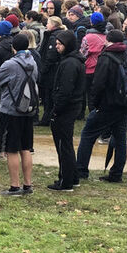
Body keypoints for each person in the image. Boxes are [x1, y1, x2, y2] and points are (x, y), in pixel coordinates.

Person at [75, 30, 127, 183]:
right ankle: (116, 174)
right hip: (123, 104)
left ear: (107, 40)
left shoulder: (106, 57)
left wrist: (95, 104)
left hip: (107, 105)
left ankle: (81, 170)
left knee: (87, 135)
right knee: (120, 139)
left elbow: (98, 83)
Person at [0, 33, 39, 196]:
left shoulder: (10, 64)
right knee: (26, 147)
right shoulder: (33, 62)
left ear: (13, 47)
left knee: (11, 149)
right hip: (28, 109)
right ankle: (28, 185)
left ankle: (14, 186)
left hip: (11, 110)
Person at [47, 30, 85, 191]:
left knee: (64, 146)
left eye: (60, 44)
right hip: (70, 107)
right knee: (66, 145)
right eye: (56, 44)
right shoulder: (72, 61)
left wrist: (56, 110)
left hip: (66, 109)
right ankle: (72, 176)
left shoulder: (69, 63)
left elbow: (65, 90)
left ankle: (66, 180)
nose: (57, 47)